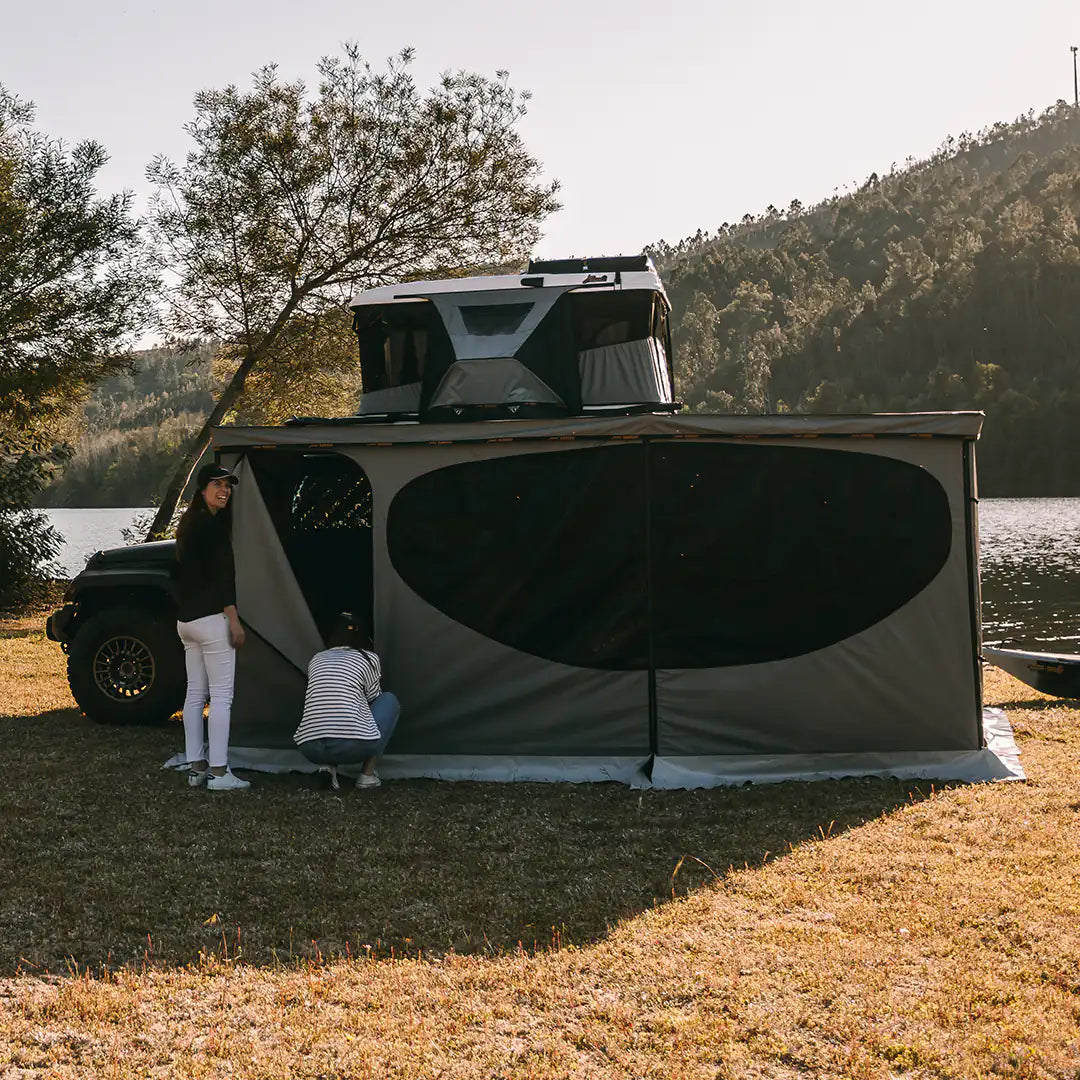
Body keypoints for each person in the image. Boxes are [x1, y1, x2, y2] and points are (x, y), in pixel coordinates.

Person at [174, 463, 250, 791]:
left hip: (186, 622)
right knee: (221, 696)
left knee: (195, 694)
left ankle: (196, 768)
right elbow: (223, 581)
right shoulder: (214, 529)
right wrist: (234, 621)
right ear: (201, 489)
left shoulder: (188, 524)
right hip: (210, 621)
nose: (224, 490)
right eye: (217, 484)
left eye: (228, 486)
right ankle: (220, 773)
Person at [294, 612, 400, 790]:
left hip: (309, 747)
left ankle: (327, 767)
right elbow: (374, 698)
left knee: (325, 705)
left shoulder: (317, 658)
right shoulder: (368, 658)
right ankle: (367, 776)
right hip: (352, 747)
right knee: (388, 701)